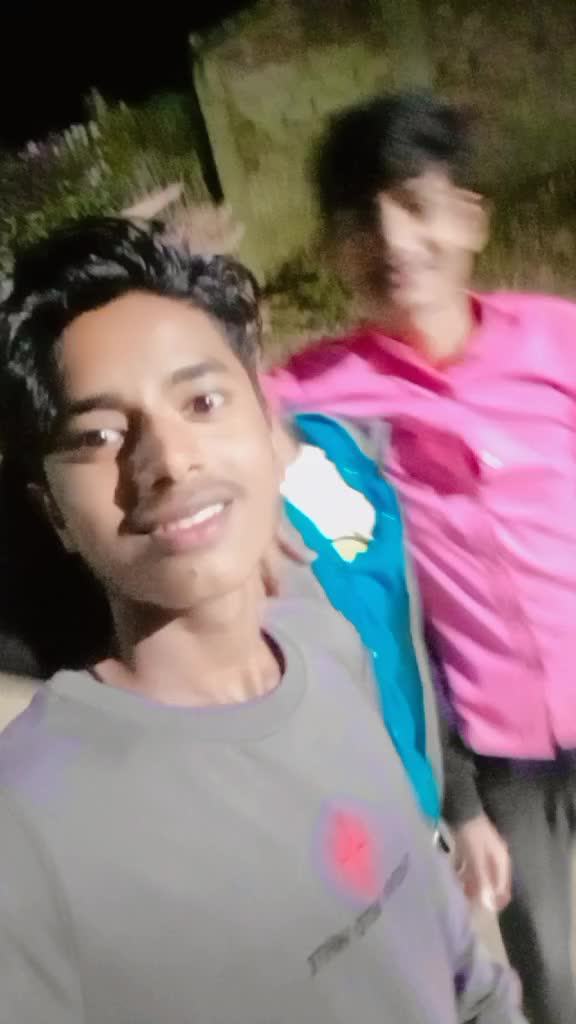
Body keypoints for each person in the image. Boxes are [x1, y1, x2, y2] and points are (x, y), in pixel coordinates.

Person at [0, 216, 524, 1023]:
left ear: (264, 417)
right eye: (99, 435)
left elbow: (456, 960)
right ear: (53, 513)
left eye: (203, 401)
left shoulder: (328, 650)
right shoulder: (29, 830)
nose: (169, 460)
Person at [267, 89, 576, 1023]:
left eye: (415, 204)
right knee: (557, 982)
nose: (395, 241)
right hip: (499, 759)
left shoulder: (558, 341)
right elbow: (207, 414)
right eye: (361, 221)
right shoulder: (311, 398)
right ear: (334, 249)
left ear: (469, 216)